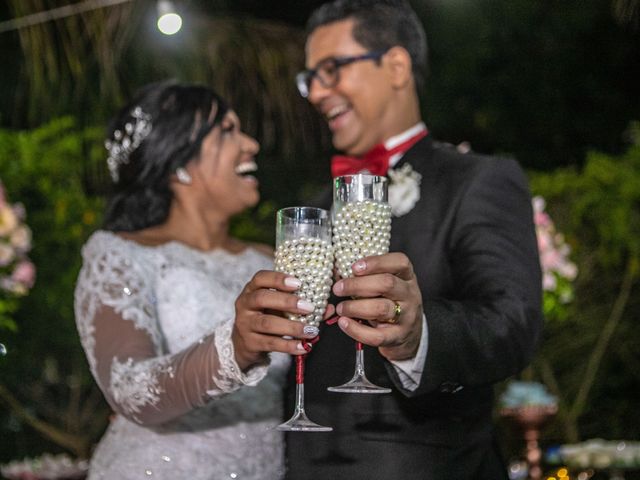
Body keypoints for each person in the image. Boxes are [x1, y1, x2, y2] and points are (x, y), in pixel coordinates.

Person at [285, 1, 543, 478]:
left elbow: (513, 320)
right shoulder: (313, 207)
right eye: (310, 79)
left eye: (331, 69)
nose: (318, 92)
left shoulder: (477, 179)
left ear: (396, 66)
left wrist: (418, 335)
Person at [74, 81, 323, 480]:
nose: (251, 144)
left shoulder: (270, 259)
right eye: (227, 130)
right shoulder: (119, 254)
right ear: (178, 164)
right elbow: (129, 386)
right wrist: (235, 348)